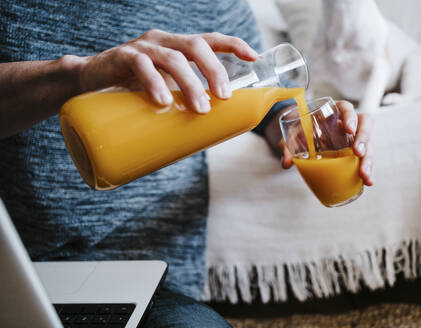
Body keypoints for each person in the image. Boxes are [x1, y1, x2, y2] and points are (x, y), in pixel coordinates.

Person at [0, 0, 373, 326]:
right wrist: (75, 74)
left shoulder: (217, 5)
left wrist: (310, 131)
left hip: (145, 275)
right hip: (14, 264)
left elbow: (271, 102)